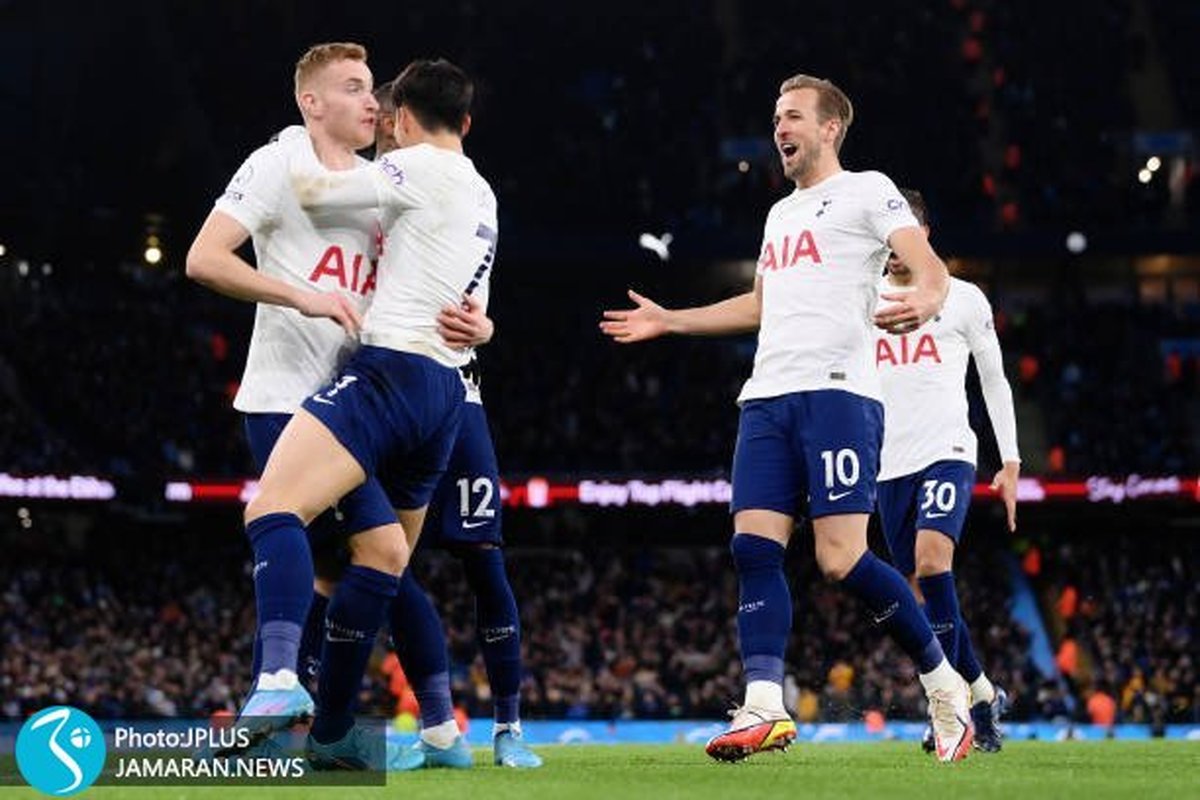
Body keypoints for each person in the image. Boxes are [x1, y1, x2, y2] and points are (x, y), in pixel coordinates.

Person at [600, 74, 974, 763]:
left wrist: (927, 296)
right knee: (752, 549)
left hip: (838, 396)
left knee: (841, 558)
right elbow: (758, 304)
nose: (780, 128)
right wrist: (671, 319)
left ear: (830, 127)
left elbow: (929, 266)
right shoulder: (779, 215)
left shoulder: (868, 190)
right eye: (776, 117)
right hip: (767, 396)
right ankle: (765, 705)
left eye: (793, 116)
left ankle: (944, 684)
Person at [185, 49, 490, 770]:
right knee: (348, 546)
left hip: (368, 402)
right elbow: (204, 259)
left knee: (380, 559)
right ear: (311, 102)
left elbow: (439, 275)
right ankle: (292, 695)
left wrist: (482, 325)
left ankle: (331, 724)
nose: (371, 101)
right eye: (353, 88)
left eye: (373, 90)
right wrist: (302, 295)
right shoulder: (278, 163)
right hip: (290, 397)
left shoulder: (386, 181)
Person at [369, 81, 542, 769]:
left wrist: (486, 325)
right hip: (384, 392)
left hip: (457, 395)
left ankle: (508, 728)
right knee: (385, 557)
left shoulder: (465, 193)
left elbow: (473, 303)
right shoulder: (369, 196)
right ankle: (439, 726)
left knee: (482, 559)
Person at [874, 189, 1018, 753]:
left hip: (948, 450)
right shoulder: (863, 297)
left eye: (902, 235)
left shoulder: (963, 298)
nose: (893, 248)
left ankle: (950, 710)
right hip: (887, 465)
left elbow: (994, 379)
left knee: (933, 562)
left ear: (923, 234)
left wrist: (1010, 460)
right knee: (917, 597)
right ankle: (979, 693)